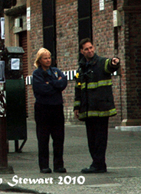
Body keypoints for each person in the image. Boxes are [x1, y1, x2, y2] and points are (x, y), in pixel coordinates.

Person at [74, 38, 120, 173]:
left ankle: (98, 164)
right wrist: (77, 107)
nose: (90, 50)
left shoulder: (101, 63)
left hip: (101, 110)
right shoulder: (81, 69)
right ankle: (97, 163)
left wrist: (114, 62)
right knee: (92, 139)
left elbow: (110, 65)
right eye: (86, 49)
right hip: (88, 111)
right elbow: (78, 89)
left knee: (100, 139)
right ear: (82, 51)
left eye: (91, 47)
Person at [32, 48, 68, 173]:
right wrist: (55, 85)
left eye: (49, 57)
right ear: (40, 60)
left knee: (58, 138)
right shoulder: (37, 74)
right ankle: (44, 165)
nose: (48, 60)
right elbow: (42, 90)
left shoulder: (56, 71)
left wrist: (50, 83)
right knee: (43, 138)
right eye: (45, 58)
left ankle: (59, 165)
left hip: (57, 108)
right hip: (43, 108)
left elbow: (63, 83)